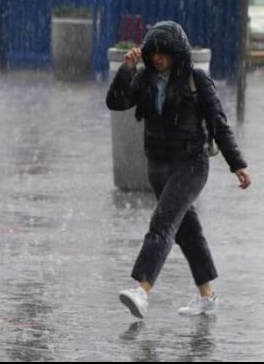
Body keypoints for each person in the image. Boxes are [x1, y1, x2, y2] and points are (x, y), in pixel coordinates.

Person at [106, 21, 251, 319]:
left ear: (177, 53)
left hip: (191, 165)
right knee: (187, 231)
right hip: (158, 165)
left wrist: (237, 164)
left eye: (164, 52)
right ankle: (207, 297)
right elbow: (116, 102)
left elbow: (218, 124)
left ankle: (142, 290)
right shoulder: (145, 78)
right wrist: (127, 70)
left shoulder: (195, 80)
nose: (158, 58)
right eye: (153, 52)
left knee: (162, 224)